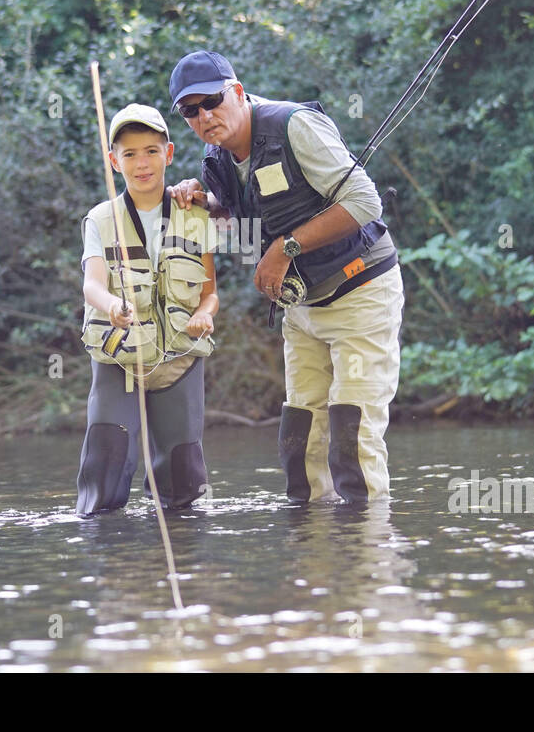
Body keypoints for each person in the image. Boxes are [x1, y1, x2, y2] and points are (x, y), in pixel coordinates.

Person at [167, 50, 404, 504]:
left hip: (361, 289)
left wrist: (284, 248)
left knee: (351, 432)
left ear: (237, 92)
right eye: (189, 111)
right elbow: (245, 230)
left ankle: (367, 562)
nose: (204, 116)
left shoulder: (293, 125)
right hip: (302, 307)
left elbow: (365, 202)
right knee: (300, 439)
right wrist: (206, 205)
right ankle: (314, 563)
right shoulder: (215, 156)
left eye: (212, 101)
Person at [75, 103, 219, 516]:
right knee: (107, 461)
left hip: (180, 357)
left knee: (183, 479)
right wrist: (113, 304)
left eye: (151, 151)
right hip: (119, 357)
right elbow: (91, 285)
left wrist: (205, 313)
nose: (142, 164)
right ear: (113, 161)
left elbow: (210, 292)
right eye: (131, 154)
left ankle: (181, 560)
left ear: (169, 154)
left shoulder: (196, 214)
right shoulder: (100, 220)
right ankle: (108, 558)